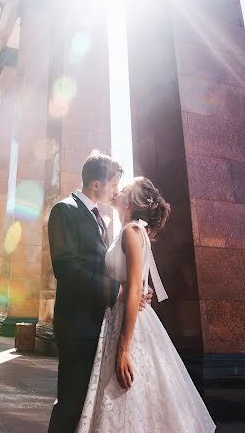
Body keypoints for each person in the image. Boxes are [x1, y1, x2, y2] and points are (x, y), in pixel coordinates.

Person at [77, 176, 216, 432]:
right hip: (120, 313)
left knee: (124, 388)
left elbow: (132, 291)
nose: (119, 189)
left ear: (132, 201)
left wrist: (124, 348)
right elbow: (135, 282)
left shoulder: (131, 231)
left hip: (127, 320)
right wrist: (141, 288)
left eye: (125, 187)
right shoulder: (131, 230)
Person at [47, 151, 152, 433]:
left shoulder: (100, 220)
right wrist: (118, 290)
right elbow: (66, 268)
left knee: (86, 407)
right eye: (113, 184)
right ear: (96, 184)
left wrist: (135, 288)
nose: (116, 190)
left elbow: (105, 269)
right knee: (70, 404)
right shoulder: (64, 210)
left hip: (100, 326)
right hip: (77, 326)